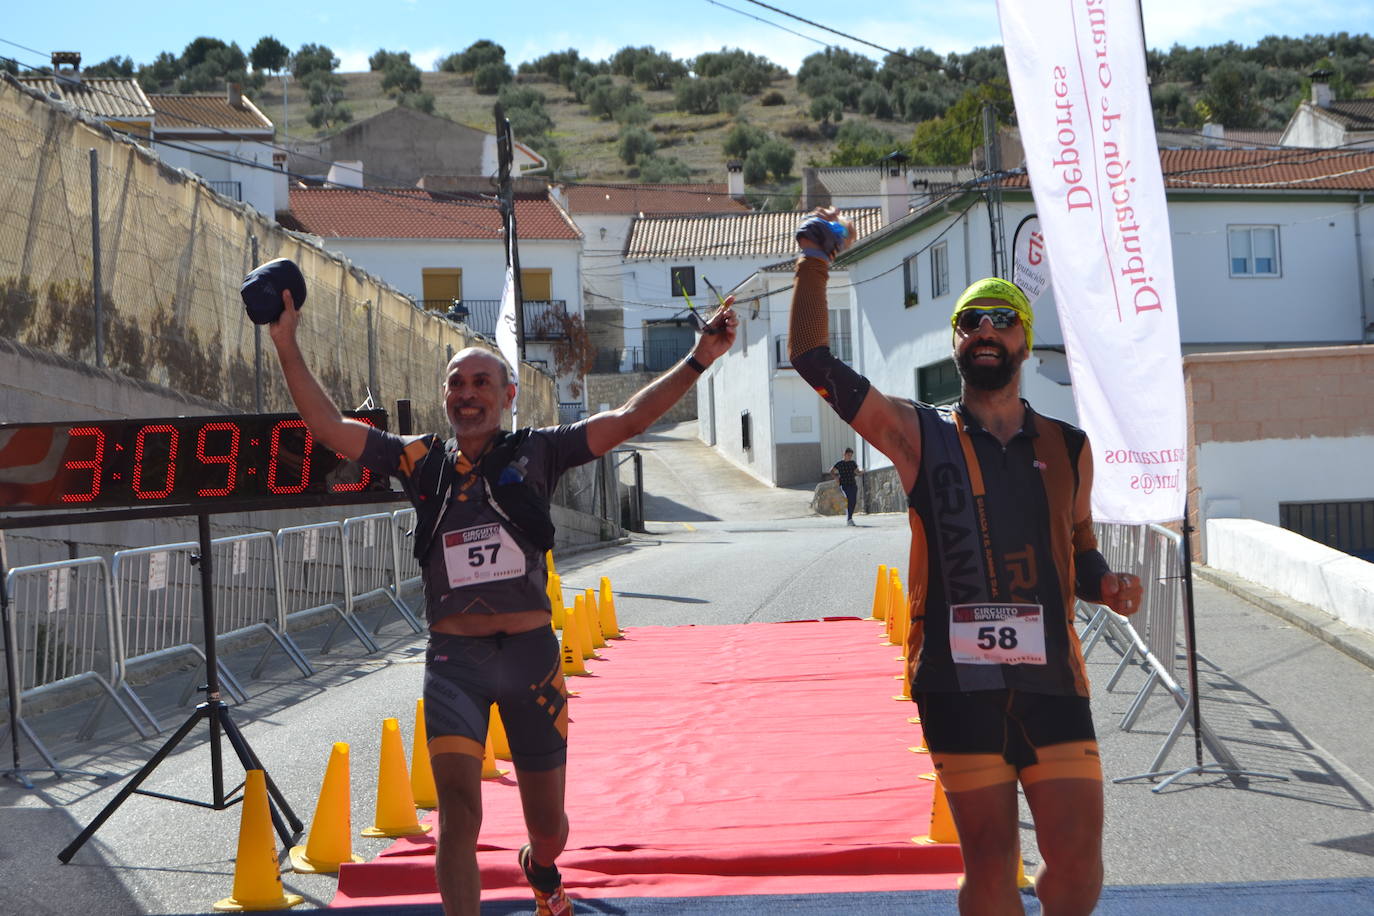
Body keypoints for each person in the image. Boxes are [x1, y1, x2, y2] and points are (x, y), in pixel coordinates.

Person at [266, 283, 737, 916]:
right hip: (454, 664)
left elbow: (627, 419)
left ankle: (540, 866)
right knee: (458, 816)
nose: (468, 395)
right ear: (445, 398)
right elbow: (327, 427)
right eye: (457, 385)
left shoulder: (538, 450)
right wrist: (285, 341)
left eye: (482, 383)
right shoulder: (420, 461)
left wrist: (699, 359)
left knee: (551, 827)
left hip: (531, 660)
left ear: (508, 396)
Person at [788, 208, 1142, 916]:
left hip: (1052, 683)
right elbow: (813, 362)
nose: (984, 329)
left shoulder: (1069, 445)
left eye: (1000, 319)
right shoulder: (919, 435)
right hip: (956, 684)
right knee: (991, 864)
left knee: (1077, 866)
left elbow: (1078, 547)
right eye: (970, 320)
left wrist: (1105, 584)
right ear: (956, 342)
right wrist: (813, 264)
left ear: (1023, 340)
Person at [829, 447, 864, 525]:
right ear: (844, 454)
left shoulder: (852, 463)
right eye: (848, 455)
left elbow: (857, 472)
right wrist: (836, 478)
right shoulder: (839, 464)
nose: (850, 457)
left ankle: (850, 518)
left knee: (853, 501)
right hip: (844, 485)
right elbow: (831, 471)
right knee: (849, 499)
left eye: (851, 455)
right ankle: (849, 519)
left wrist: (861, 472)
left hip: (853, 484)